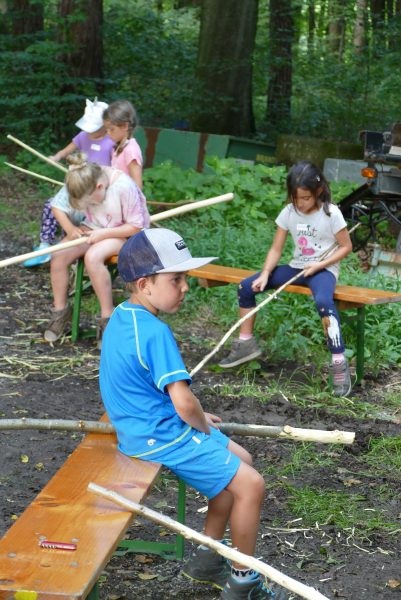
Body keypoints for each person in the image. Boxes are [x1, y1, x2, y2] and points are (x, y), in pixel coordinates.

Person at [99, 227, 289, 600]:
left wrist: (198, 420)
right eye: (176, 279)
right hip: (157, 435)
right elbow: (185, 405)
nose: (185, 287)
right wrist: (199, 423)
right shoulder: (155, 333)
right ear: (145, 283)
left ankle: (207, 556)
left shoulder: (123, 317)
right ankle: (243, 580)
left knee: (243, 461)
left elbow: (160, 393)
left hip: (144, 424)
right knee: (252, 484)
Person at [219, 160, 353, 398]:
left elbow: (346, 246)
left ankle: (338, 362)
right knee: (246, 287)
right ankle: (246, 343)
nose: (300, 203)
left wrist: (320, 265)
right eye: (295, 198)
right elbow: (276, 249)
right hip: (295, 268)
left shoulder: (331, 214)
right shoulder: (289, 212)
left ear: (318, 192)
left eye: (305, 198)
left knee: (324, 301)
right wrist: (265, 274)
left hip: (323, 271)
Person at [43, 152, 150, 349]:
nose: (90, 206)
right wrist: (72, 229)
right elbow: (58, 206)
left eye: (91, 203)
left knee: (93, 257)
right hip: (93, 228)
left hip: (125, 234)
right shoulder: (81, 178)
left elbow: (136, 227)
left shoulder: (123, 187)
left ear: (100, 187)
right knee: (58, 255)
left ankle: (107, 319)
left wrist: (103, 234)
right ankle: (60, 313)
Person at [23, 98, 114, 267]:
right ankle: (45, 245)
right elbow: (67, 150)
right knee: (52, 205)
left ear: (105, 125)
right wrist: (56, 157)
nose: (90, 132)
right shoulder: (83, 136)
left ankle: (70, 248)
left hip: (96, 191)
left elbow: (114, 170)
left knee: (81, 214)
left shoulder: (111, 141)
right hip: (78, 182)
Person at [102, 99, 143, 190]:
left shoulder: (131, 150)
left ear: (125, 126)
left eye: (111, 129)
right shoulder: (117, 147)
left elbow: (138, 186)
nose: (108, 133)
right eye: (106, 129)